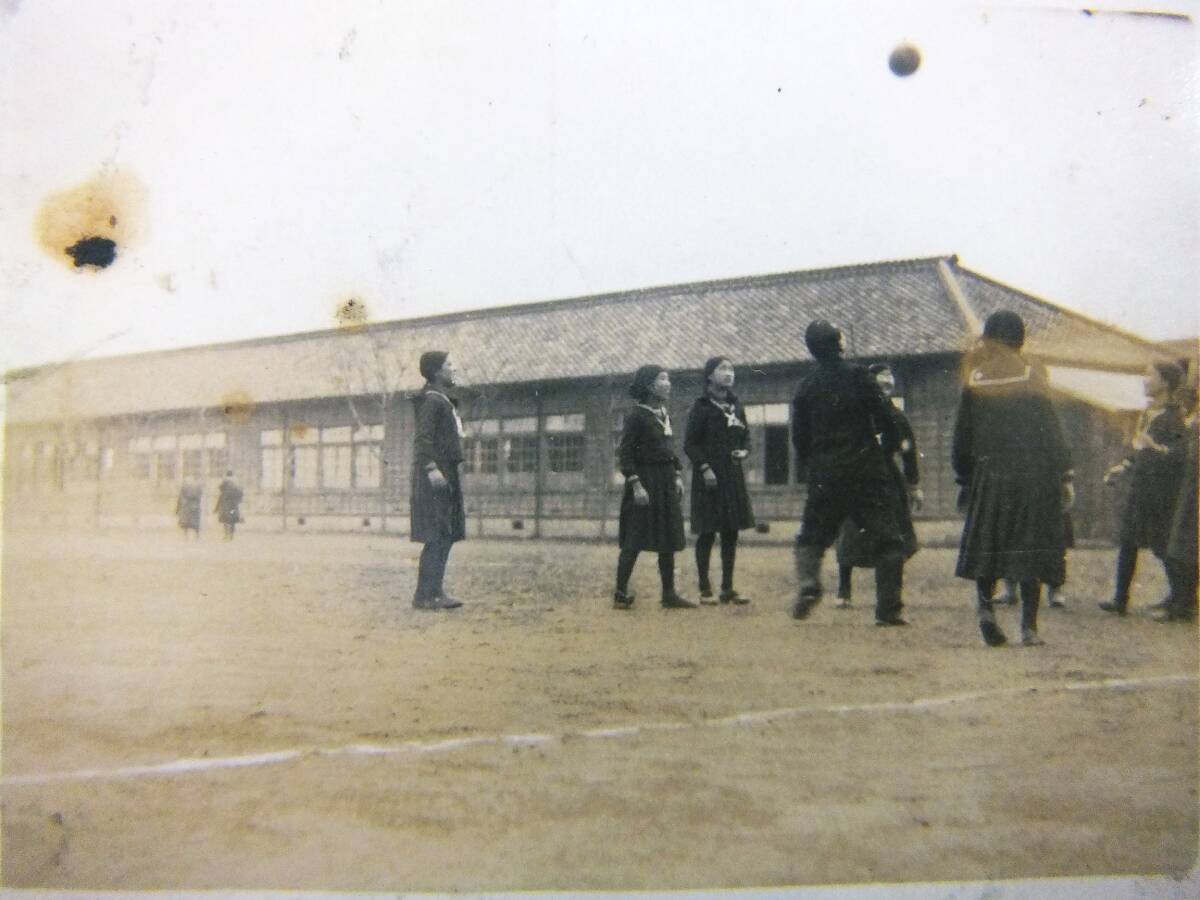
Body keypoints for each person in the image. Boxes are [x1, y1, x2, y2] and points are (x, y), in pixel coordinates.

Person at [953, 310, 1074, 647]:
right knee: (1030, 546)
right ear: (1019, 338)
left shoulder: (975, 377)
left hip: (990, 473)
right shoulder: (1030, 373)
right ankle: (1029, 628)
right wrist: (1064, 473)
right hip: (1033, 473)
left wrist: (964, 477)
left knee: (988, 543)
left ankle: (985, 609)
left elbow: (962, 433)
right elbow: (1050, 427)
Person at [791, 321, 908, 626]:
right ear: (840, 344)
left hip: (825, 473)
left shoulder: (806, 386)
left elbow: (799, 438)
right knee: (890, 541)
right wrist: (883, 452)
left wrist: (813, 466)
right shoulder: (860, 376)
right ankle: (888, 610)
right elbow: (888, 420)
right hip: (865, 469)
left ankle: (809, 583)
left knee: (812, 536)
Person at [1098, 361, 1187, 617]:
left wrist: (1155, 449)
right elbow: (1139, 451)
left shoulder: (1173, 419)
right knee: (1128, 541)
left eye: (1151, 375)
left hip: (1160, 493)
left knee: (1162, 546)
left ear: (1165, 383)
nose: (1145, 380)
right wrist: (1123, 466)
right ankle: (1120, 599)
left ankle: (1182, 601)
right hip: (1141, 487)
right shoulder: (1148, 414)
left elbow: (1180, 457)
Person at [833, 363, 922, 608]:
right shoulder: (853, 413)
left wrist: (913, 485)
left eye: (889, 382)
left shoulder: (896, 416)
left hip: (887, 478)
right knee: (850, 533)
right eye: (879, 382)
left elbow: (908, 451)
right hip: (855, 477)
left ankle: (889, 595)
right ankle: (844, 589)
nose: (885, 386)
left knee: (894, 536)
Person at [613, 365, 696, 610]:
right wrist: (636, 485)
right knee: (634, 538)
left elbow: (667, 451)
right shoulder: (637, 416)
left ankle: (669, 594)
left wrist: (677, 475)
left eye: (668, 379)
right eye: (662, 379)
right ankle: (620, 593)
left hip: (665, 482)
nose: (668, 383)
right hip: (645, 482)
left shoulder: (663, 413)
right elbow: (625, 454)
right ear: (649, 385)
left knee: (668, 537)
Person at [684, 357, 755, 605]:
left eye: (731, 369)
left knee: (730, 532)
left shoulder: (736, 406)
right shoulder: (701, 407)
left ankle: (727, 588)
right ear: (709, 376)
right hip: (709, 479)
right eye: (722, 369)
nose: (728, 374)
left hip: (732, 476)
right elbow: (690, 444)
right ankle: (705, 589)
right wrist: (704, 468)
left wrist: (744, 451)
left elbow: (746, 437)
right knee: (707, 532)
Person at [410, 351, 467, 611]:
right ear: (436, 371)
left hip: (447, 472)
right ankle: (426, 595)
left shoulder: (442, 399)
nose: (453, 369)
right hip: (436, 475)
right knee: (437, 534)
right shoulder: (432, 401)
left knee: (445, 534)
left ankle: (434, 592)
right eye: (449, 365)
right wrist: (433, 470)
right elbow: (423, 440)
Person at [214, 470, 244, 541]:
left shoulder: (225, 482)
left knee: (226, 520)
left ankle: (226, 534)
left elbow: (220, 490)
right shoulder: (237, 483)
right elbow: (240, 494)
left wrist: (216, 507)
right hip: (234, 506)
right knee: (232, 520)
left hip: (226, 506)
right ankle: (231, 535)